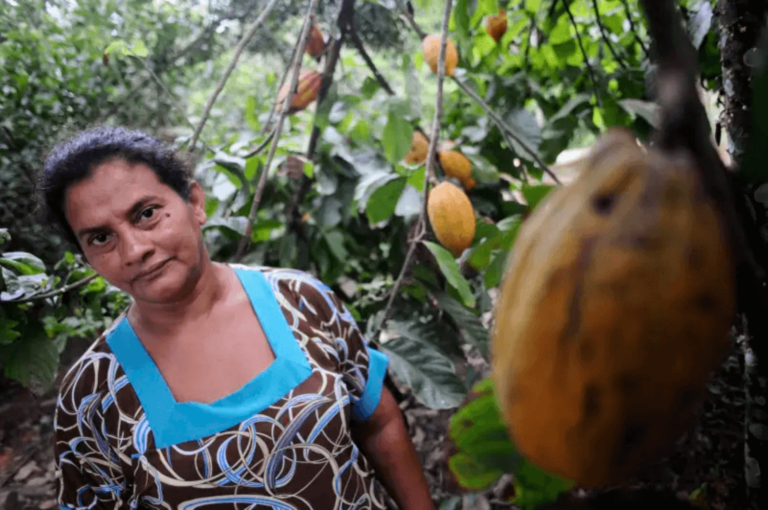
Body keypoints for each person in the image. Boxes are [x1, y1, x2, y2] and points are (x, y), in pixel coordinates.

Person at [38, 126, 436, 510]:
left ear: (194, 203)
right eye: (100, 238)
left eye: (146, 213)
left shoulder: (300, 299)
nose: (134, 249)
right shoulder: (92, 395)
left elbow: (379, 424)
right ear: (85, 255)